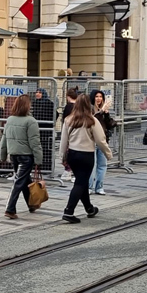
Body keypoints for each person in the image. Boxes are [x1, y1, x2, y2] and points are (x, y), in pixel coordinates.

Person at [59, 95, 113, 223]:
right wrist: (108, 154)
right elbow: (101, 140)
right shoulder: (92, 121)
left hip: (72, 154)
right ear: (88, 105)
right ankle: (68, 211)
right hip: (86, 155)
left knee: (81, 181)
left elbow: (63, 140)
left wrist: (62, 156)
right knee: (80, 183)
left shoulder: (68, 120)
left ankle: (89, 208)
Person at [0, 95, 44, 219]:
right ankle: (10, 209)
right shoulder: (31, 121)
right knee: (19, 181)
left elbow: (4, 139)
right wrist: (38, 159)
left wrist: (3, 155)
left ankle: (31, 204)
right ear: (27, 106)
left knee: (24, 179)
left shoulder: (10, 120)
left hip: (13, 155)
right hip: (26, 156)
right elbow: (35, 142)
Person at [89, 90, 115, 195]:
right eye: (96, 96)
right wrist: (101, 112)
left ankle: (99, 187)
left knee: (102, 165)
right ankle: (89, 187)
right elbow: (93, 121)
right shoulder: (90, 109)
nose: (99, 99)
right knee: (92, 165)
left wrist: (106, 114)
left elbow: (110, 125)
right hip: (92, 141)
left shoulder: (103, 110)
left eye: (100, 96)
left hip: (103, 141)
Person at [31, 88, 56, 174]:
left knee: (45, 148)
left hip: (46, 130)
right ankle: (36, 166)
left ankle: (46, 167)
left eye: (40, 92)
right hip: (36, 129)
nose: (37, 94)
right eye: (36, 92)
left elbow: (55, 114)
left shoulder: (49, 103)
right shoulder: (35, 103)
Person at [59, 88, 79, 180]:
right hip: (77, 132)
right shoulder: (79, 106)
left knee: (67, 152)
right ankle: (74, 171)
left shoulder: (68, 106)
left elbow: (65, 119)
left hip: (69, 131)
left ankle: (68, 171)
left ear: (68, 97)